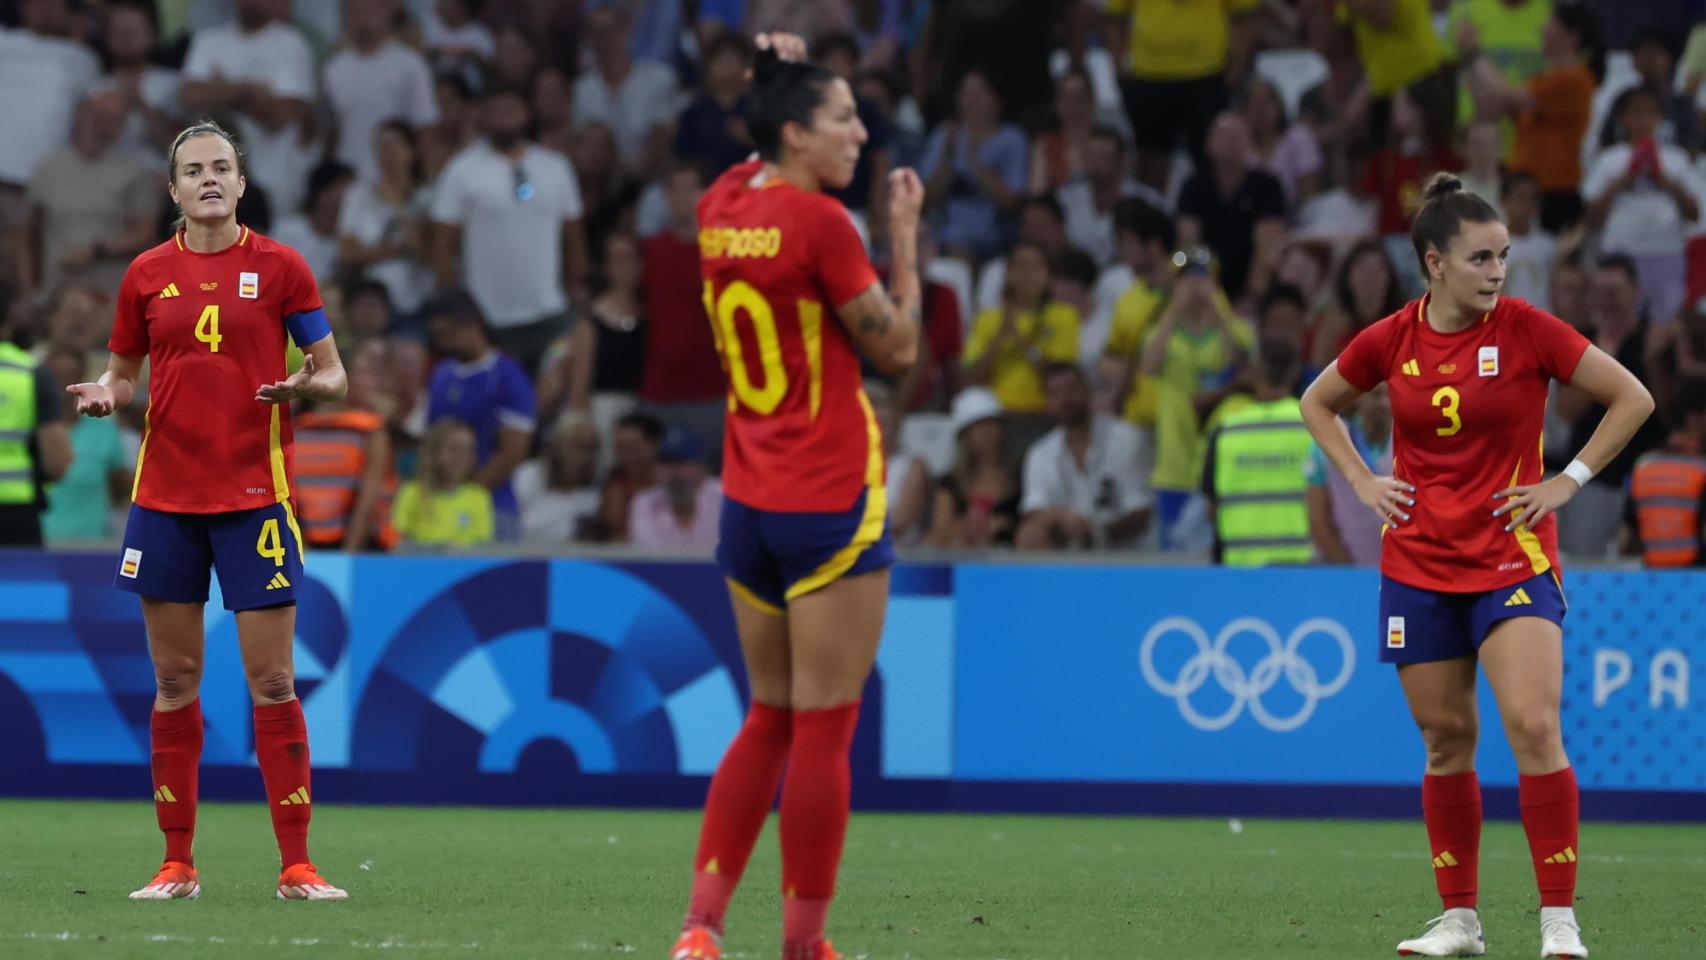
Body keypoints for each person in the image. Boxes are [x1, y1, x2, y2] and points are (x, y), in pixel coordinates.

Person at [1298, 173, 1654, 958]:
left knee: (1533, 726)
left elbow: (1632, 398)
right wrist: (1361, 480)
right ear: (1435, 264)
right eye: (1482, 259)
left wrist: (1568, 481)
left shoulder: (1528, 329)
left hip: (1511, 557)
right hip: (1417, 561)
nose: (1499, 273)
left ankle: (1559, 920)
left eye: (1504, 258)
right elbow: (1316, 402)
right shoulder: (1391, 338)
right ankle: (1460, 919)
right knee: (1446, 740)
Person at [671, 33, 923, 960]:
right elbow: (897, 355)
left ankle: (700, 928)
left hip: (747, 500)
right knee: (825, 725)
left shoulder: (717, 204)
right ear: (794, 132)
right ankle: (804, 943)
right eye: (843, 117)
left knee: (766, 715)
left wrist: (775, 73)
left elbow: (748, 164)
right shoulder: (823, 225)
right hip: (827, 497)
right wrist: (903, 242)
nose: (861, 132)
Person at [66, 121, 351, 901]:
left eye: (222, 167)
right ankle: (177, 863)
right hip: (165, 499)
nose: (210, 180)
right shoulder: (146, 274)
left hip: (257, 498)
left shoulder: (283, 268)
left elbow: (335, 375)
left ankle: (296, 865)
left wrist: (303, 386)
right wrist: (104, 394)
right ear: (175, 191)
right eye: (194, 171)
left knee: (274, 679)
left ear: (242, 182)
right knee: (175, 677)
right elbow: (123, 374)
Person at [1015, 363, 1153, 551]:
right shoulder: (1040, 453)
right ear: (1047, 403)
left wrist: (1094, 533)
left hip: (1124, 556)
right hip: (1068, 556)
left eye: (1072, 388)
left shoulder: (1125, 438)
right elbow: (1033, 510)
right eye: (1055, 393)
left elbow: (1140, 514)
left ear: (1088, 390)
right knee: (1030, 533)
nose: (1065, 399)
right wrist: (1061, 517)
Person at [1202, 336, 1310, 565]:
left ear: (1254, 372)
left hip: (1240, 572)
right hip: (1302, 571)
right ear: (1296, 371)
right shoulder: (1315, 427)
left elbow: (1211, 510)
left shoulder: (1225, 431)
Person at [0, 304, 73, 546]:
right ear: (10, 320)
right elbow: (58, 461)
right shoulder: (31, 373)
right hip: (14, 513)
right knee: (18, 584)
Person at [1620, 377, 1706, 567]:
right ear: (1694, 419)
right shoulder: (1702, 470)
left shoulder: (1644, 465)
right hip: (1697, 580)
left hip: (1652, 578)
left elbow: (1627, 539)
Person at [1305, 382, 1391, 566]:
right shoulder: (1329, 443)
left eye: (1390, 395)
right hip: (1344, 574)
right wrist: (1348, 571)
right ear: (1358, 398)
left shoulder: (1412, 444)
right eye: (1376, 395)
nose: (1384, 403)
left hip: (1399, 574)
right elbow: (1317, 520)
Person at [392, 417, 494, 548]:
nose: (461, 457)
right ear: (434, 452)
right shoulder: (411, 492)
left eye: (468, 450)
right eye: (454, 449)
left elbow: (483, 546)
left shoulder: (479, 497)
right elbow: (398, 542)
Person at [628, 428, 722, 552]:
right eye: (666, 464)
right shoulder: (644, 503)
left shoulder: (724, 497)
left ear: (702, 468)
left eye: (681, 463)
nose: (674, 473)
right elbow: (650, 557)